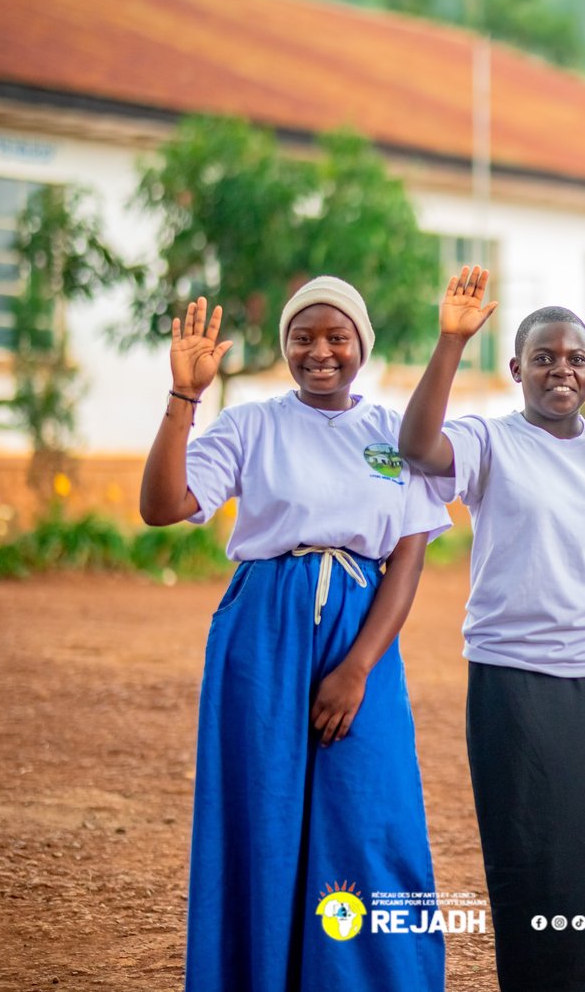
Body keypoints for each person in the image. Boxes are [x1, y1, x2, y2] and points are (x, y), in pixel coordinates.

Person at [138, 280, 451, 992]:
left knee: (372, 814)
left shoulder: (394, 433)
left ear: (361, 345)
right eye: (302, 338)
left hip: (359, 633)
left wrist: (358, 666)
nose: (320, 352)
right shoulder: (251, 425)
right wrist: (182, 397)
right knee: (262, 810)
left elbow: (405, 564)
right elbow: (162, 505)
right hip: (261, 633)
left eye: (336, 336)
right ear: (285, 347)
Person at [398, 266, 585, 992]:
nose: (561, 369)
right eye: (544, 357)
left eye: (575, 357)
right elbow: (417, 448)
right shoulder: (490, 441)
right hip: (512, 674)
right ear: (517, 368)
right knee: (526, 849)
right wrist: (450, 343)